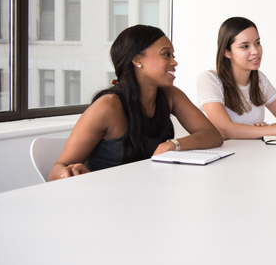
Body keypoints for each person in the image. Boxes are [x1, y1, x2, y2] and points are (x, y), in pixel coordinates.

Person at [48, 25, 223, 181]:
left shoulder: (170, 96)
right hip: (105, 201)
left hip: (146, 194)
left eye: (173, 55)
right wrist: (69, 172)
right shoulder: (107, 107)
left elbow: (212, 135)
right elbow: (56, 171)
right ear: (137, 59)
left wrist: (172, 145)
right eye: (166, 54)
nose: (174, 62)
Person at [196, 17, 276, 139]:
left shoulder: (259, 79)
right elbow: (225, 130)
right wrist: (275, 130)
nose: (255, 51)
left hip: (255, 154)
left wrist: (268, 129)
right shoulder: (209, 79)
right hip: (226, 155)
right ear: (227, 52)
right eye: (245, 46)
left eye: (257, 43)